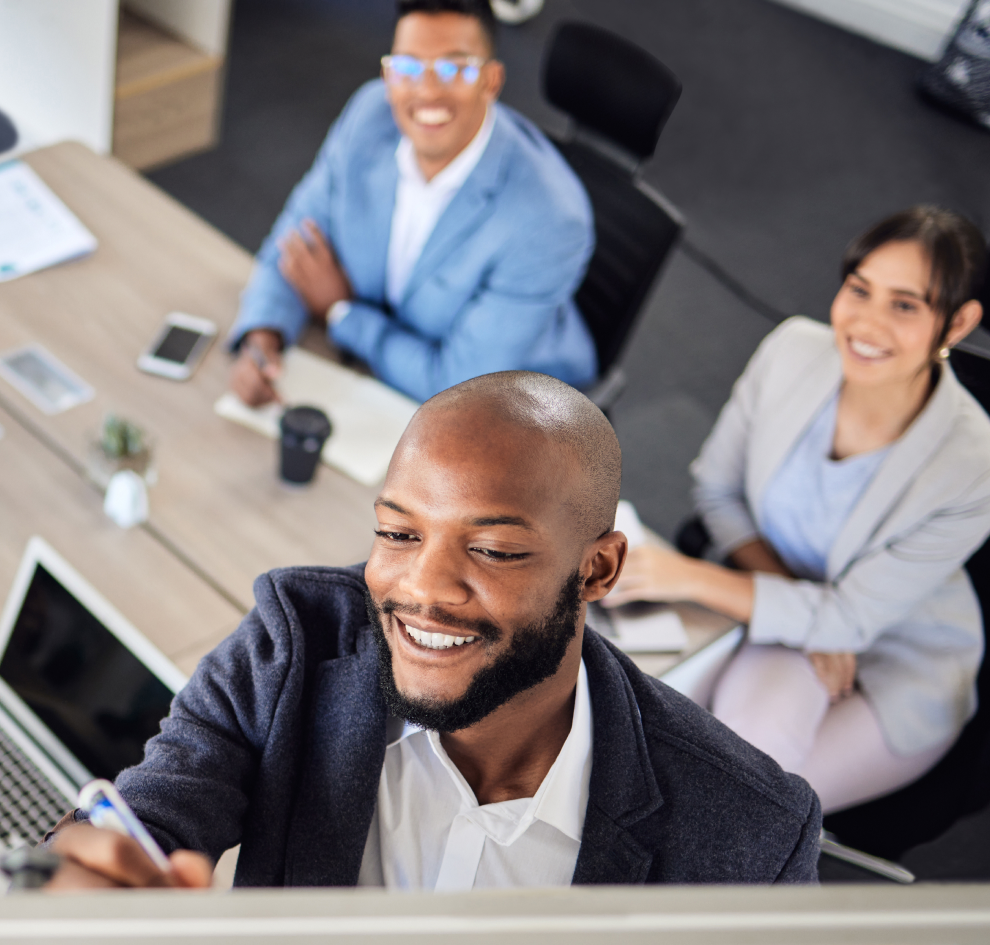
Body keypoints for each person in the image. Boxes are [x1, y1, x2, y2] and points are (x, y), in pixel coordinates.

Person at [44, 372, 820, 889]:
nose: (422, 590)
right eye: (398, 533)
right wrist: (81, 879)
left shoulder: (752, 834)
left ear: (597, 571)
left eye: (493, 549)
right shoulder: (295, 647)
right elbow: (157, 810)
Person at [605, 206, 990, 815]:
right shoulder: (792, 351)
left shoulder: (975, 465)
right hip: (788, 617)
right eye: (859, 290)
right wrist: (794, 601)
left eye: (905, 305)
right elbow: (718, 490)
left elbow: (852, 618)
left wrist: (685, 575)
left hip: (894, 661)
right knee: (685, 770)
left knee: (742, 811)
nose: (866, 323)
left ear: (959, 321)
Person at [228, 0, 597, 406]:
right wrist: (263, 336)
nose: (426, 92)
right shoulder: (370, 115)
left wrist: (340, 311)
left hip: (504, 414)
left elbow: (456, 385)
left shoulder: (549, 220)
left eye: (454, 68)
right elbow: (297, 238)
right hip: (385, 364)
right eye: (407, 67)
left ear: (491, 81)